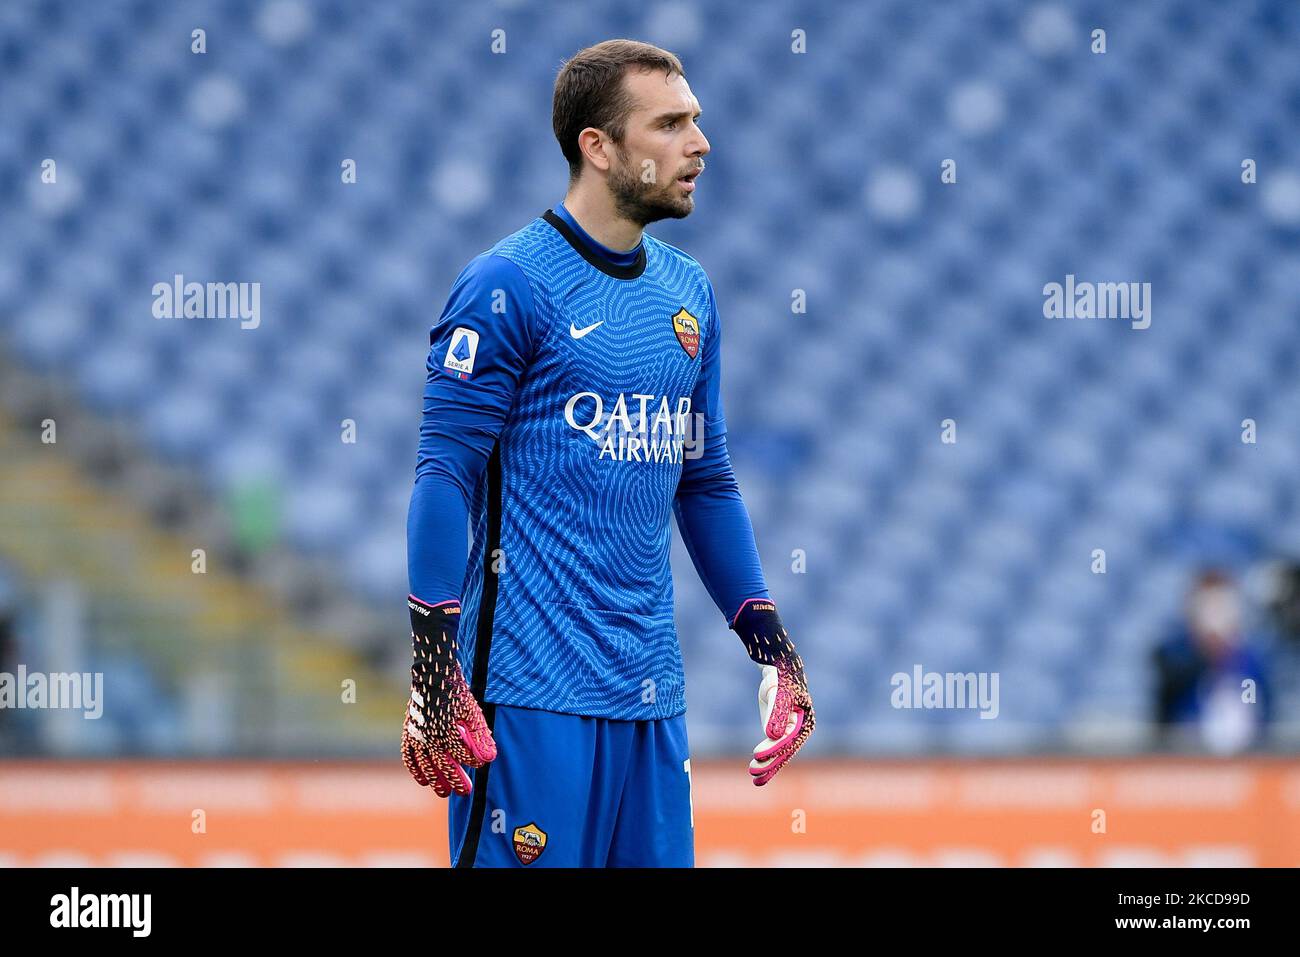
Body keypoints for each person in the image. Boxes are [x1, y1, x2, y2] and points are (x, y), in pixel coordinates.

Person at [402, 39, 813, 867]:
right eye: (670, 124)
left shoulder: (688, 291)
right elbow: (443, 472)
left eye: (695, 120)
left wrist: (771, 643)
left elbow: (704, 482)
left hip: (651, 697)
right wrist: (434, 659)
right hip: (528, 695)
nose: (701, 143)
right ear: (599, 146)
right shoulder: (506, 285)